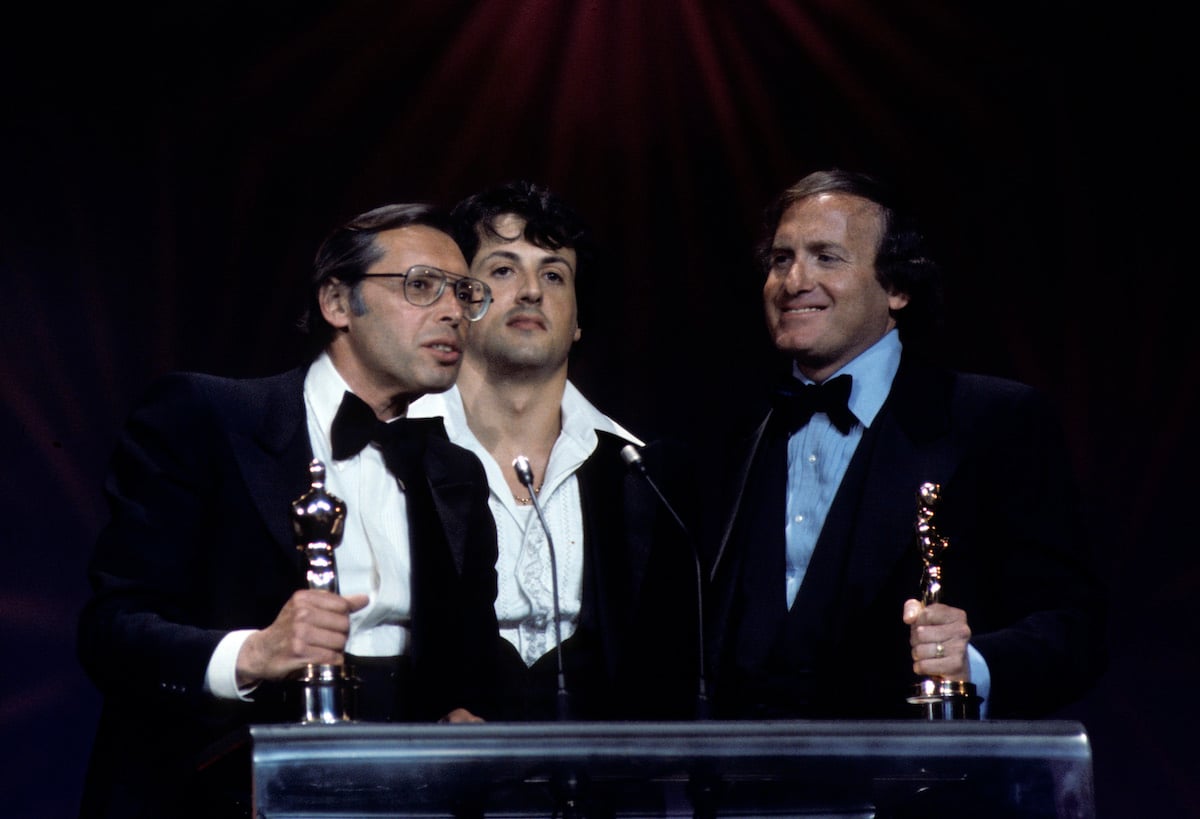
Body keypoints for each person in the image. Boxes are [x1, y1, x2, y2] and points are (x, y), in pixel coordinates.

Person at [77, 203, 503, 818]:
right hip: (221, 790)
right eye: (420, 286)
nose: (453, 312)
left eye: (464, 293)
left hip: (405, 796)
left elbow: (473, 665)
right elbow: (111, 633)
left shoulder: (456, 472)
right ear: (336, 303)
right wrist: (253, 653)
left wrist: (468, 711)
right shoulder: (206, 417)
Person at [705, 169, 1106, 720]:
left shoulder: (995, 421)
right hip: (746, 791)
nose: (794, 280)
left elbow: (1075, 629)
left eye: (826, 257)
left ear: (897, 288)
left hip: (924, 786)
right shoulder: (729, 438)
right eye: (781, 259)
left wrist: (972, 665)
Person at [408, 180, 702, 721]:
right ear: (458, 302)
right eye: (502, 270)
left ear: (578, 320)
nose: (530, 291)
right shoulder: (395, 454)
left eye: (552, 274)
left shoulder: (643, 476)